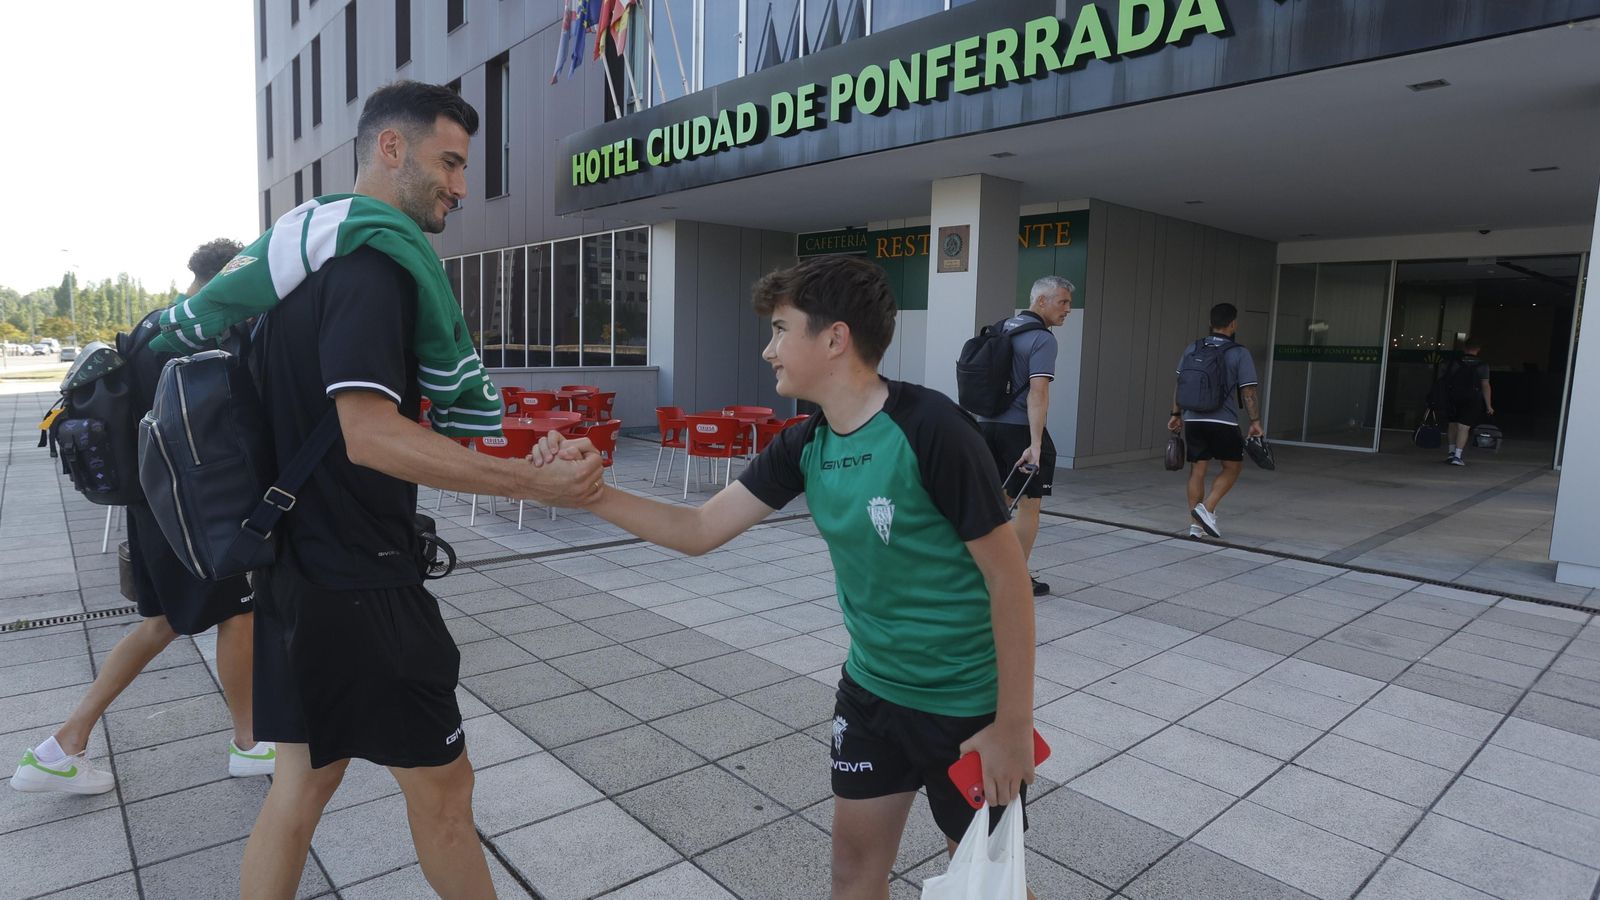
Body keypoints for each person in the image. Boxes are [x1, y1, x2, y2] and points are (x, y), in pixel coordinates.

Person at [534, 255, 1039, 900]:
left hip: (967, 706)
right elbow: (699, 531)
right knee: (852, 880)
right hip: (872, 697)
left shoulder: (933, 430)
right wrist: (592, 493)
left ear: (834, 338)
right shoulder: (806, 444)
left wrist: (1012, 728)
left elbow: (1008, 581)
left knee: (991, 888)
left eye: (780, 329)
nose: (769, 349)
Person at [236, 81, 604, 900]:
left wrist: (516, 454)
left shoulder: (296, 264)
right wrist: (530, 483)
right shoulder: (372, 265)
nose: (461, 187)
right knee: (445, 798)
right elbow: (371, 436)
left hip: (294, 572)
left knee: (299, 792)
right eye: (450, 161)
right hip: (361, 581)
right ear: (390, 149)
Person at [11, 239, 275, 796]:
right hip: (194, 510)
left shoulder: (147, 329)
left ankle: (61, 748)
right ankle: (248, 743)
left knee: (165, 623)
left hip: (151, 506)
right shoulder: (199, 334)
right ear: (228, 278)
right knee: (236, 614)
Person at [975, 275, 1072, 596]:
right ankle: (1014, 579)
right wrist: (1036, 443)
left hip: (986, 425)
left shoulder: (1002, 328)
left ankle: (974, 567)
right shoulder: (1043, 339)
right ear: (1041, 300)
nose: (1067, 309)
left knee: (995, 502)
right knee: (1029, 507)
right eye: (1063, 301)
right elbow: (1038, 393)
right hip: (1019, 430)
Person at [1168, 302, 1260, 540]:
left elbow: (1180, 384)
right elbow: (1248, 391)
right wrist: (1255, 421)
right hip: (1223, 421)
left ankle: (1195, 527)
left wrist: (1175, 414)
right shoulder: (1239, 352)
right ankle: (1206, 508)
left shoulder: (1193, 347)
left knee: (1197, 470)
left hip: (1193, 419)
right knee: (1232, 467)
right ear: (1233, 323)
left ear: (1211, 324)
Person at [1439, 338, 1493, 466]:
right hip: (1472, 399)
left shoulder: (1452, 363)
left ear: (1464, 348)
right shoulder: (1482, 366)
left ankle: (1451, 452)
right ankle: (1457, 456)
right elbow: (1485, 385)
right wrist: (1489, 405)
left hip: (1452, 397)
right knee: (1464, 427)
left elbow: (1443, 381)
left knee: (1452, 425)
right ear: (1478, 349)